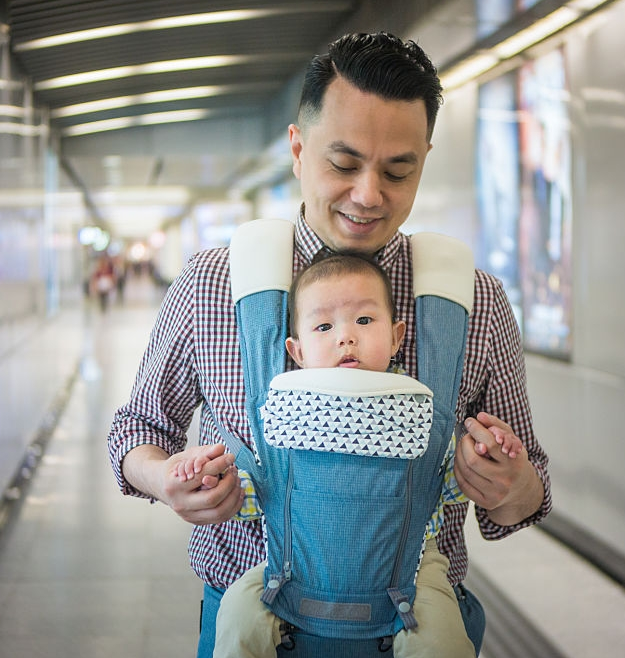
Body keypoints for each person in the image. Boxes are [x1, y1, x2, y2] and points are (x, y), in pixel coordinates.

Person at [107, 31, 552, 657]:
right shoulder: (214, 284)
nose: (369, 195)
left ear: (425, 156)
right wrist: (163, 478)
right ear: (296, 148)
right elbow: (137, 430)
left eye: (399, 169)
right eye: (343, 164)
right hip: (252, 627)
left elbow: (525, 497)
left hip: (414, 630)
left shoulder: (468, 303)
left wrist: (509, 485)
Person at [173, 253, 523, 658]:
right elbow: (269, 487)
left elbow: (443, 483)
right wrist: (218, 483)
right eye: (324, 326)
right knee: (236, 617)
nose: (346, 337)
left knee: (441, 638)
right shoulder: (289, 405)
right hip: (288, 567)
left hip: (410, 566)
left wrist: (482, 459)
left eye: (364, 321)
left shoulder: (418, 406)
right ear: (297, 350)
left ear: (396, 337)